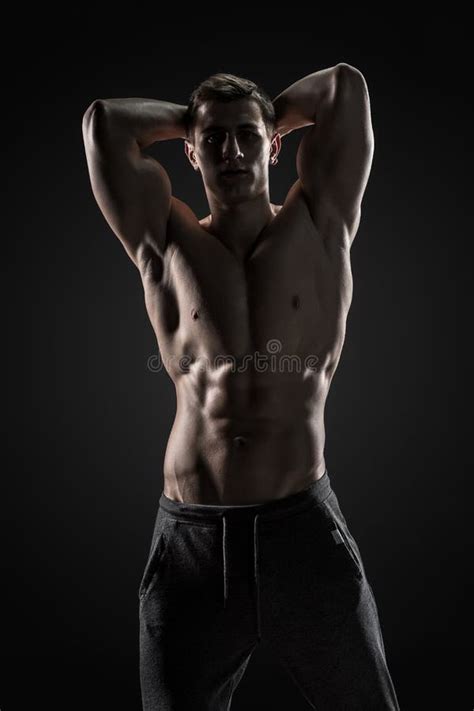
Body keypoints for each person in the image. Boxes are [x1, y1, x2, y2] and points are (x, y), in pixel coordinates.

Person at [82, 65, 400, 710]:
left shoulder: (321, 223)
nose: (232, 152)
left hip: (300, 528)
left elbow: (343, 87)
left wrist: (254, 118)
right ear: (191, 152)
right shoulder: (166, 241)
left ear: (274, 144)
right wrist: (197, 120)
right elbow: (103, 123)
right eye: (214, 140)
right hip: (191, 541)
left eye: (247, 137)